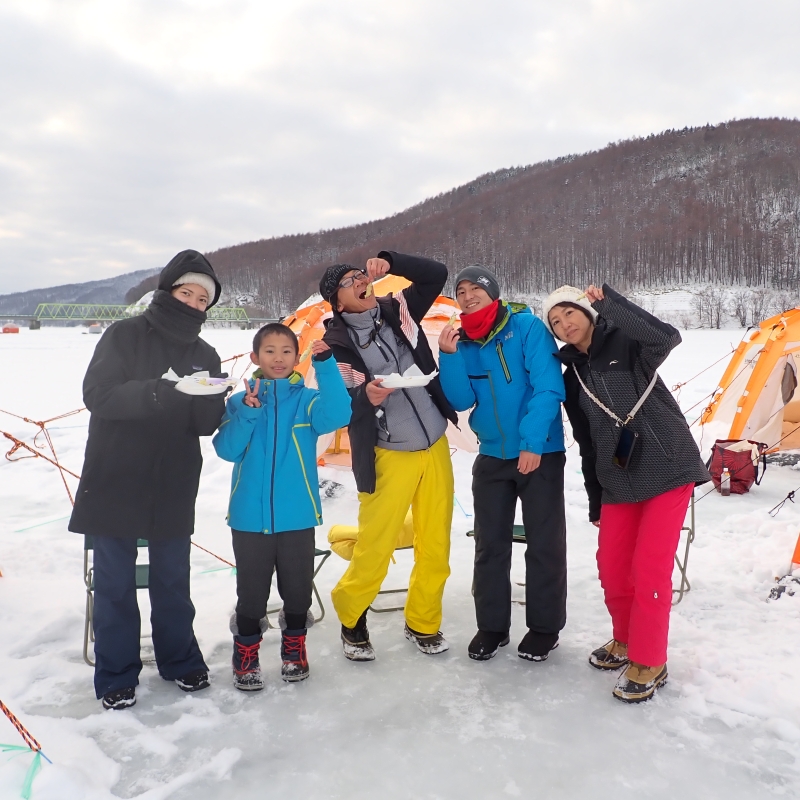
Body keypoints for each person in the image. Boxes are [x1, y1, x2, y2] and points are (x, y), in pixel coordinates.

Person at [69, 249, 227, 710]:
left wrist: (213, 400)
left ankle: (180, 660)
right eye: (187, 293)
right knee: (115, 581)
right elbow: (97, 395)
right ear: (166, 291)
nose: (194, 303)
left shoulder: (205, 352)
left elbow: (202, 424)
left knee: (173, 578)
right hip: (117, 471)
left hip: (174, 477)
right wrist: (161, 391)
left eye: (203, 299)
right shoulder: (125, 335)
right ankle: (116, 672)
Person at [544, 284, 710, 703]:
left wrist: (610, 303)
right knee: (613, 567)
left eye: (570, 313)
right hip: (617, 478)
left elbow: (667, 337)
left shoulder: (628, 343)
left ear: (586, 311)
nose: (565, 325)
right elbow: (586, 441)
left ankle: (651, 659)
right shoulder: (571, 376)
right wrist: (596, 497)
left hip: (667, 467)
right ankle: (624, 640)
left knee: (650, 568)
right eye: (556, 322)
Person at [319, 252, 457, 660]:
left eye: (362, 273)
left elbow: (436, 275)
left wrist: (391, 261)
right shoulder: (336, 345)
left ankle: (423, 622)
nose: (362, 279)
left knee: (435, 543)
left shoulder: (398, 309)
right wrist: (367, 396)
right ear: (338, 301)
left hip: (434, 445)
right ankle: (351, 616)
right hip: (387, 454)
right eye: (351, 280)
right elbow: (341, 405)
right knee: (376, 546)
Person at [438, 266, 567, 662]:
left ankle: (545, 629)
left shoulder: (527, 328)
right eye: (461, 290)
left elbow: (548, 386)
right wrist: (448, 357)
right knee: (489, 544)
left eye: (476, 288)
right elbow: (460, 401)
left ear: (493, 293)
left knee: (544, 543)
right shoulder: (463, 342)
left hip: (539, 452)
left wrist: (532, 442)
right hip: (492, 454)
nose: (468, 295)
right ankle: (492, 626)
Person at [212, 323, 351, 688]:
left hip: (297, 516)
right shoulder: (240, 402)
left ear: (297, 357)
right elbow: (226, 450)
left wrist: (326, 365)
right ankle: (246, 654)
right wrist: (250, 412)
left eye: (287, 351)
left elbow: (339, 414)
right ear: (255, 357)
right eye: (270, 351)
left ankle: (294, 649)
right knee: (252, 593)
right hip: (248, 518)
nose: (278, 358)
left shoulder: (307, 400)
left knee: (297, 590)